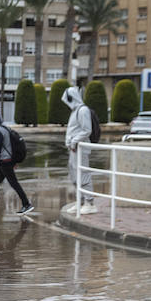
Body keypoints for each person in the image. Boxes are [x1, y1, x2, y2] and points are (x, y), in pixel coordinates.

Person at [62, 85, 101, 214]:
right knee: (74, 176)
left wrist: (74, 141)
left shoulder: (82, 110)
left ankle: (89, 202)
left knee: (83, 175)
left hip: (80, 148)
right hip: (74, 149)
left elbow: (87, 130)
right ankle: (80, 201)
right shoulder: (75, 111)